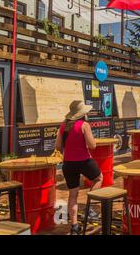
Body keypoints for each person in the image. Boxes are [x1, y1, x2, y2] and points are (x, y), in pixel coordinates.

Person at [55, 100, 103, 235]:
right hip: (84, 161)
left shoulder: (63, 126)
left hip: (68, 164)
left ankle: (75, 227)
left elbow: (58, 147)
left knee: (73, 195)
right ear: (82, 114)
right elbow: (92, 145)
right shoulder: (84, 125)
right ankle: (89, 207)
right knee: (99, 178)